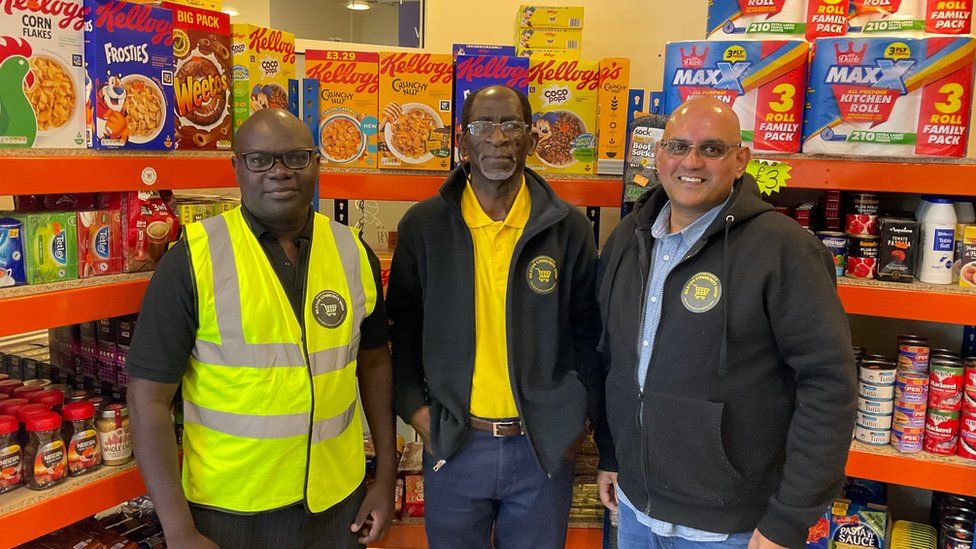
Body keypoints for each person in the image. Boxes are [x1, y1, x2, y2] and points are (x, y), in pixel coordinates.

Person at [594, 96, 857, 549]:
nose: (690, 162)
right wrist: (613, 453)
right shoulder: (627, 240)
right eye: (677, 146)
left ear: (740, 161)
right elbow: (613, 360)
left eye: (712, 149)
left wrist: (789, 518)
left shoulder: (786, 251)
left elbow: (829, 388)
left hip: (730, 529)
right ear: (659, 155)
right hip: (636, 510)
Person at [126, 109, 396, 549]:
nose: (280, 172)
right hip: (229, 514)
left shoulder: (353, 251)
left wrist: (384, 478)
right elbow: (148, 399)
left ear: (316, 164)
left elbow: (375, 363)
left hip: (336, 504)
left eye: (296, 158)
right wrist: (178, 529)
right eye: (260, 160)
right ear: (236, 166)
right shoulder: (192, 260)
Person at [386, 85, 602, 549]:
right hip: (455, 444)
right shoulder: (423, 227)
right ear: (462, 141)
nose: (498, 138)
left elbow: (590, 334)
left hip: (540, 449)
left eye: (512, 126)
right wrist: (416, 410)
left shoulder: (569, 229)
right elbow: (402, 330)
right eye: (483, 126)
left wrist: (574, 419)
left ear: (531, 140)